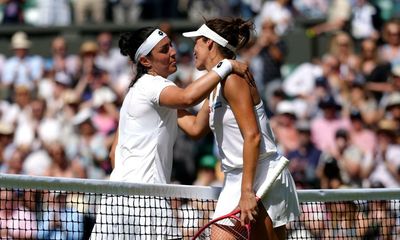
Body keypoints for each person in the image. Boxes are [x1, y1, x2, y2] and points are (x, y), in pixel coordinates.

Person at [90, 26, 251, 239]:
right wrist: (225, 66)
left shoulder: (136, 93)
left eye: (171, 46)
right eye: (164, 50)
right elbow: (187, 98)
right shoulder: (153, 86)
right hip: (148, 200)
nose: (173, 52)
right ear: (146, 61)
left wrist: (214, 88)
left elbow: (195, 128)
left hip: (115, 202)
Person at [178, 18, 300, 238]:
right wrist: (161, 103)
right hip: (236, 179)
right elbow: (196, 128)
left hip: (261, 178)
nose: (193, 48)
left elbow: (252, 136)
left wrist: (247, 192)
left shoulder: (233, 79)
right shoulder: (216, 83)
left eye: (197, 41)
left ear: (210, 43)